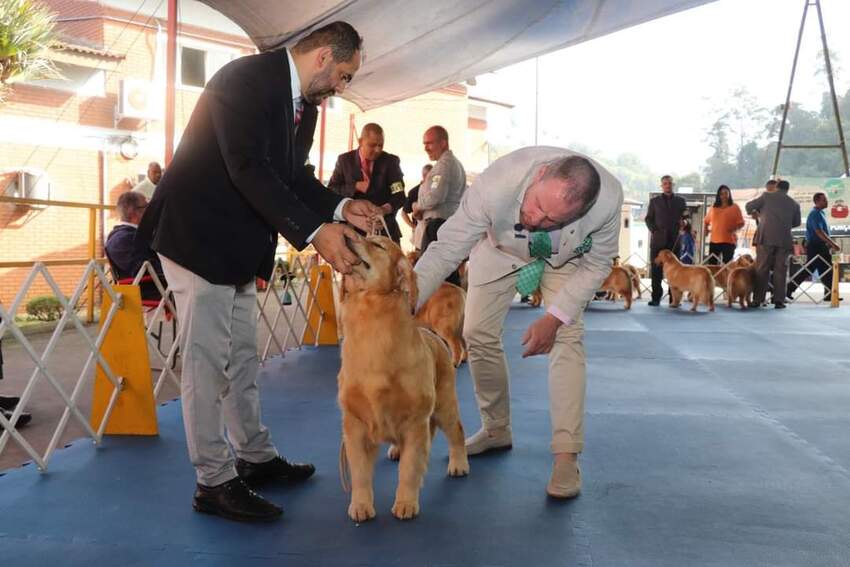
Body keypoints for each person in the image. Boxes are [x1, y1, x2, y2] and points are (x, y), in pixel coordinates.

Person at [137, 22, 382, 523]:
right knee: (206, 366)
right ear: (321, 58)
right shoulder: (243, 81)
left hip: (240, 246)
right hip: (197, 238)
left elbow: (291, 177)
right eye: (344, 74)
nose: (343, 86)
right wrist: (315, 233)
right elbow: (247, 168)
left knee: (244, 359)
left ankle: (253, 457)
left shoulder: (303, 107)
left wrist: (340, 207)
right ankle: (213, 481)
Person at [413, 146, 624, 499]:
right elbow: (447, 247)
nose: (536, 219)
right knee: (476, 332)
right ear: (539, 174)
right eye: (536, 205)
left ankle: (566, 455)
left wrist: (554, 319)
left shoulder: (608, 201)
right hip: (499, 250)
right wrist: (408, 299)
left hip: (563, 260)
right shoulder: (496, 183)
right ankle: (496, 429)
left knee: (568, 337)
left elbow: (598, 264)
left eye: (551, 219)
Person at [328, 123, 405, 243]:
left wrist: (384, 209)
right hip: (353, 233)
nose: (378, 150)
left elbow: (399, 195)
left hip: (385, 233)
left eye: (381, 145)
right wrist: (354, 187)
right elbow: (332, 189)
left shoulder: (391, 162)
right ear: (360, 141)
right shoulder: (344, 161)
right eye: (372, 145)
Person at [746, 179, 801, 309]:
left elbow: (748, 207)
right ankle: (779, 301)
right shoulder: (794, 204)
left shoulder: (766, 196)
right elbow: (797, 223)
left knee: (762, 269)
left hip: (766, 238)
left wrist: (756, 213)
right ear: (787, 189)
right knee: (780, 271)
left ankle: (758, 299)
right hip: (784, 240)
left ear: (776, 187)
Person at [414, 126, 467, 252]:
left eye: (429, 143)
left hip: (438, 227)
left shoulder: (444, 165)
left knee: (429, 269)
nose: (426, 148)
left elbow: (435, 196)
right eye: (424, 144)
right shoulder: (451, 163)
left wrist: (418, 206)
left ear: (443, 143)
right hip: (445, 225)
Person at [105, 191, 165, 300]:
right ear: (133, 213)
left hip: (159, 286)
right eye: (147, 207)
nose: (151, 211)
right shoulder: (122, 239)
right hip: (149, 291)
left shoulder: (133, 235)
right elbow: (142, 269)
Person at [645, 175, 687, 306]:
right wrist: (654, 230)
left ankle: (673, 299)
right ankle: (656, 298)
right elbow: (648, 219)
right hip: (658, 241)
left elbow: (687, 217)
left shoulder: (681, 201)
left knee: (676, 272)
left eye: (669, 183)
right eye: (665, 184)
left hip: (675, 240)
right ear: (662, 186)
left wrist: (684, 222)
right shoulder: (654, 201)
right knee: (656, 270)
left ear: (672, 184)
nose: (667, 185)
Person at [806, 192, 842, 302]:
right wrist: (832, 243)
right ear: (817, 201)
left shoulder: (821, 213)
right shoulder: (815, 214)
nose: (827, 201)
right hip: (816, 245)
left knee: (826, 269)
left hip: (821, 245)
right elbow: (819, 232)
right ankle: (789, 289)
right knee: (810, 269)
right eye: (824, 200)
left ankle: (830, 294)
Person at [703, 184, 744, 264]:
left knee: (727, 266)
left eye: (726, 193)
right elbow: (706, 221)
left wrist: (734, 229)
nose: (724, 195)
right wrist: (706, 230)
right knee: (712, 265)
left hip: (729, 241)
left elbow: (741, 223)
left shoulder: (735, 207)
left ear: (729, 194)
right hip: (714, 242)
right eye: (721, 194)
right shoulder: (714, 208)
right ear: (719, 195)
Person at [401, 164, 432, 251]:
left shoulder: (435, 190)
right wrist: (413, 226)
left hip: (433, 232)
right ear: (424, 176)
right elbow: (403, 213)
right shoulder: (414, 192)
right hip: (420, 233)